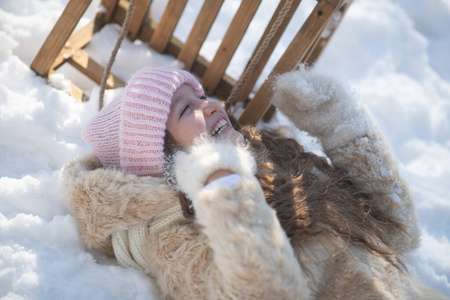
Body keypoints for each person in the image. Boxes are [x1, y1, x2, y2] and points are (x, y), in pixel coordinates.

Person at [63, 67, 447, 299]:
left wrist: (341, 125)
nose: (210, 105)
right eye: (186, 109)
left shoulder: (277, 165)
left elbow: (398, 233)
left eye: (200, 96)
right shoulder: (170, 233)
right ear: (161, 159)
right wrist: (224, 190)